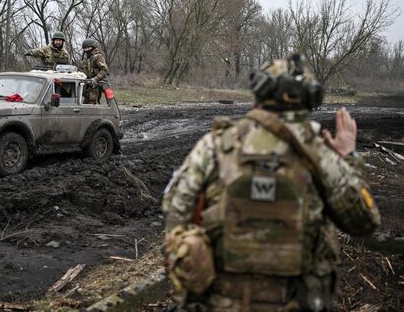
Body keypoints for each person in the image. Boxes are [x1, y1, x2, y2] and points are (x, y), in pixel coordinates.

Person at [162, 54, 380, 312]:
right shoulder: (319, 155)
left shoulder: (215, 146)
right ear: (308, 101)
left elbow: (174, 212)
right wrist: (349, 157)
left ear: (257, 97)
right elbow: (364, 222)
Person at [79, 38, 108, 104]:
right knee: (85, 103)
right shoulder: (87, 58)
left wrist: (96, 79)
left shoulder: (98, 56)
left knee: (92, 103)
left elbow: (104, 70)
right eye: (85, 48)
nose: (86, 50)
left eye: (88, 48)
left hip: (96, 84)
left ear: (93, 47)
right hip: (88, 84)